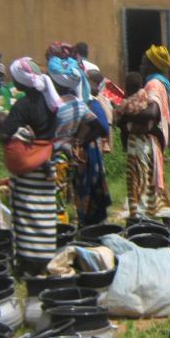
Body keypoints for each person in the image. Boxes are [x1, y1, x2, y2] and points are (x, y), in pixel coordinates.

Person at [0, 57, 60, 262]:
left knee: (27, 214)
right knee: (45, 212)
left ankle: (30, 261)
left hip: (29, 168)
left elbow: (4, 134)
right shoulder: (49, 100)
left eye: (14, 78)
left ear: (21, 82)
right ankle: (46, 255)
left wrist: (13, 135)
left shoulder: (23, 106)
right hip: (47, 164)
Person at [122, 45, 170, 222]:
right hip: (149, 142)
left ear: (152, 65)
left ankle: (143, 223)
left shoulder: (153, 84)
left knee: (142, 184)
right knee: (154, 185)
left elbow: (153, 112)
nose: (141, 66)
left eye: (144, 63)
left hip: (144, 142)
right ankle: (163, 224)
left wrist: (125, 114)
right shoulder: (159, 82)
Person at [47, 56, 104, 224]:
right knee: (69, 194)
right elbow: (99, 127)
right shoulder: (79, 104)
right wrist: (79, 142)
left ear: (57, 84)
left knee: (58, 199)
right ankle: (74, 226)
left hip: (56, 157)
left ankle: (62, 231)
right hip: (71, 155)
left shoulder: (54, 105)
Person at [74, 72, 112, 226]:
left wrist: (82, 141)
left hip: (89, 151)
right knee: (83, 184)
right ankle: (87, 220)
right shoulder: (82, 102)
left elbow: (103, 127)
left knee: (90, 184)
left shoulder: (92, 104)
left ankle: (92, 222)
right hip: (84, 150)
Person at [88, 70, 113, 154]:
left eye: (87, 80)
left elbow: (109, 120)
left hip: (96, 137)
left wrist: (108, 141)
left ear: (93, 83)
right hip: (98, 136)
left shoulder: (98, 98)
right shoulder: (102, 97)